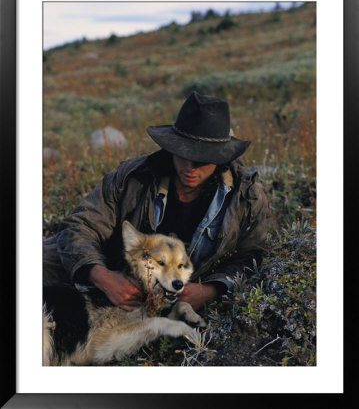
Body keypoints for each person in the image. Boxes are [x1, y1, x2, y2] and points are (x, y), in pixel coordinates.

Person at [43, 91, 268, 312]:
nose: (190, 168)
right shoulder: (131, 177)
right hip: (112, 266)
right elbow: (80, 226)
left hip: (179, 294)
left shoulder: (247, 197)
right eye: (183, 153)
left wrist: (209, 290)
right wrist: (102, 276)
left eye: (202, 159)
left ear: (221, 158)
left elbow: (252, 256)